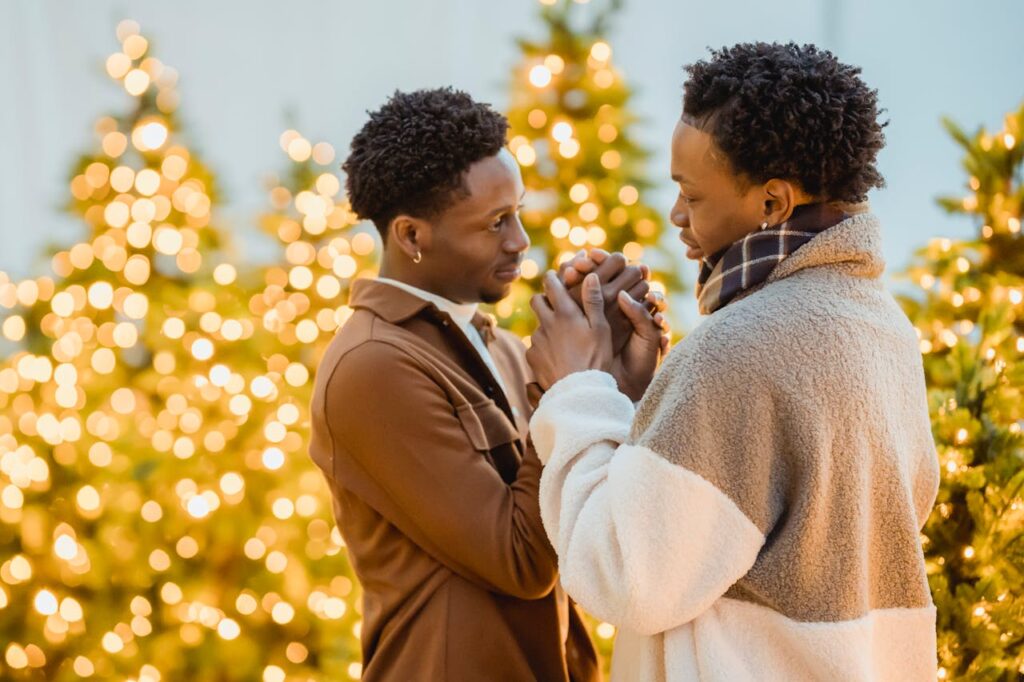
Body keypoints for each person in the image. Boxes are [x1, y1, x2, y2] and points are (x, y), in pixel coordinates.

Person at [526, 42, 940, 681]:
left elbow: (629, 575)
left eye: (691, 195)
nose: (676, 215)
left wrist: (578, 390)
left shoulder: (740, 348)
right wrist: (640, 400)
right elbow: (789, 532)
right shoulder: (883, 328)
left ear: (771, 203)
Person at [308, 87, 654, 681]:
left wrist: (617, 380)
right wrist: (567, 388)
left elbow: (585, 518)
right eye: (496, 222)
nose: (520, 240)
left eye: (517, 210)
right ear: (412, 237)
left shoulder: (493, 341)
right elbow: (521, 562)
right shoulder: (373, 368)